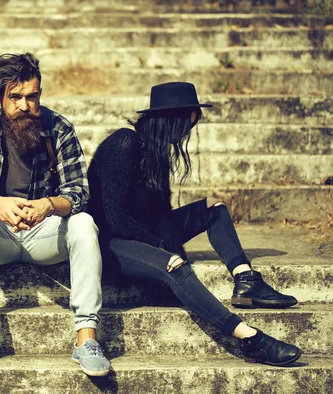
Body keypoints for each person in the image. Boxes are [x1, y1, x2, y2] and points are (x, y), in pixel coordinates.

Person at [87, 82, 302, 367]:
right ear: (172, 120)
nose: (190, 129)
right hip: (112, 244)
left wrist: (170, 246)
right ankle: (249, 338)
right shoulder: (123, 145)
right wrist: (166, 255)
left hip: (143, 232)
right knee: (174, 265)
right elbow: (115, 220)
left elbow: (162, 213)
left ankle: (246, 279)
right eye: (189, 121)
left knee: (213, 207)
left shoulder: (155, 150)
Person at [0, 53, 110, 376]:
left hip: (45, 236)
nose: (25, 105)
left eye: (32, 96)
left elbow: (79, 194)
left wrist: (48, 205)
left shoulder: (59, 129)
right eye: (15, 97)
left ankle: (86, 338)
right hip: (1, 237)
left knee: (83, 223)